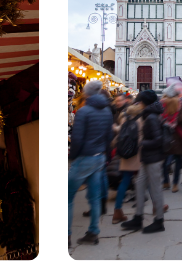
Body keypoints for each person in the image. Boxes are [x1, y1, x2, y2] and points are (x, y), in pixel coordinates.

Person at [68, 80, 114, 247]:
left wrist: (73, 157)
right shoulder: (107, 111)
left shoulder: (84, 111)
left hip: (85, 158)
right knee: (95, 197)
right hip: (100, 157)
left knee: (68, 197)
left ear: (86, 93)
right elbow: (109, 137)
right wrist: (106, 156)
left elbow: (77, 139)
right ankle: (93, 232)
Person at [120, 90, 166, 234]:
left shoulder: (151, 117)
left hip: (153, 158)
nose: (138, 104)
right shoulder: (148, 114)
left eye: (139, 101)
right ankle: (138, 217)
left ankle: (159, 221)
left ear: (144, 102)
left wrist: (142, 143)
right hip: (147, 157)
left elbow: (158, 140)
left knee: (155, 188)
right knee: (139, 185)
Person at [111, 101, 143, 224]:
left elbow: (119, 131)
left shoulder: (125, 118)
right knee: (145, 179)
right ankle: (155, 207)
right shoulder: (141, 119)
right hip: (138, 154)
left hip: (125, 154)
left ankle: (117, 211)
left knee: (124, 181)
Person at [160, 85, 182, 190]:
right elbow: (181, 123)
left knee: (164, 161)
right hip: (176, 136)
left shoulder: (162, 104)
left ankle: (165, 182)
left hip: (164, 135)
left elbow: (159, 120)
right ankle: (175, 184)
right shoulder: (179, 104)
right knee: (178, 161)